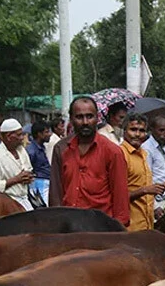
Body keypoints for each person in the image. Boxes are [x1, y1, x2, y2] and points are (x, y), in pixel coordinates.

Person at [49, 96, 130, 225]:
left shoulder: (112, 151)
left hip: (100, 229)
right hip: (69, 227)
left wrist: (117, 232)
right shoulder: (61, 148)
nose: (85, 122)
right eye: (79, 117)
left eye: (89, 116)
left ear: (97, 118)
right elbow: (55, 194)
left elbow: (120, 198)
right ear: (71, 119)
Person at [121, 113, 165, 231]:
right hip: (130, 227)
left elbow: (147, 187)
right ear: (124, 131)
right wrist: (145, 190)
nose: (137, 134)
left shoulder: (143, 154)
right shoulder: (121, 155)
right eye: (133, 130)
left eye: (142, 131)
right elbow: (117, 197)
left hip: (146, 223)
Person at [0, 118, 35, 210]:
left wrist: (28, 177)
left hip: (25, 200)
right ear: (9, 136)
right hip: (7, 205)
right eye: (19, 135)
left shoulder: (22, 151)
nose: (22, 138)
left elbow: (29, 170)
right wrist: (16, 179)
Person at [141, 116, 165, 212]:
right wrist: (155, 206)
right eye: (161, 130)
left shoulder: (162, 147)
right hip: (158, 201)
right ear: (151, 130)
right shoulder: (146, 149)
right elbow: (146, 180)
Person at [26, 120, 52, 206]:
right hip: (39, 186)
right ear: (39, 134)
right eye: (46, 132)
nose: (50, 134)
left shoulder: (41, 147)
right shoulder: (31, 151)